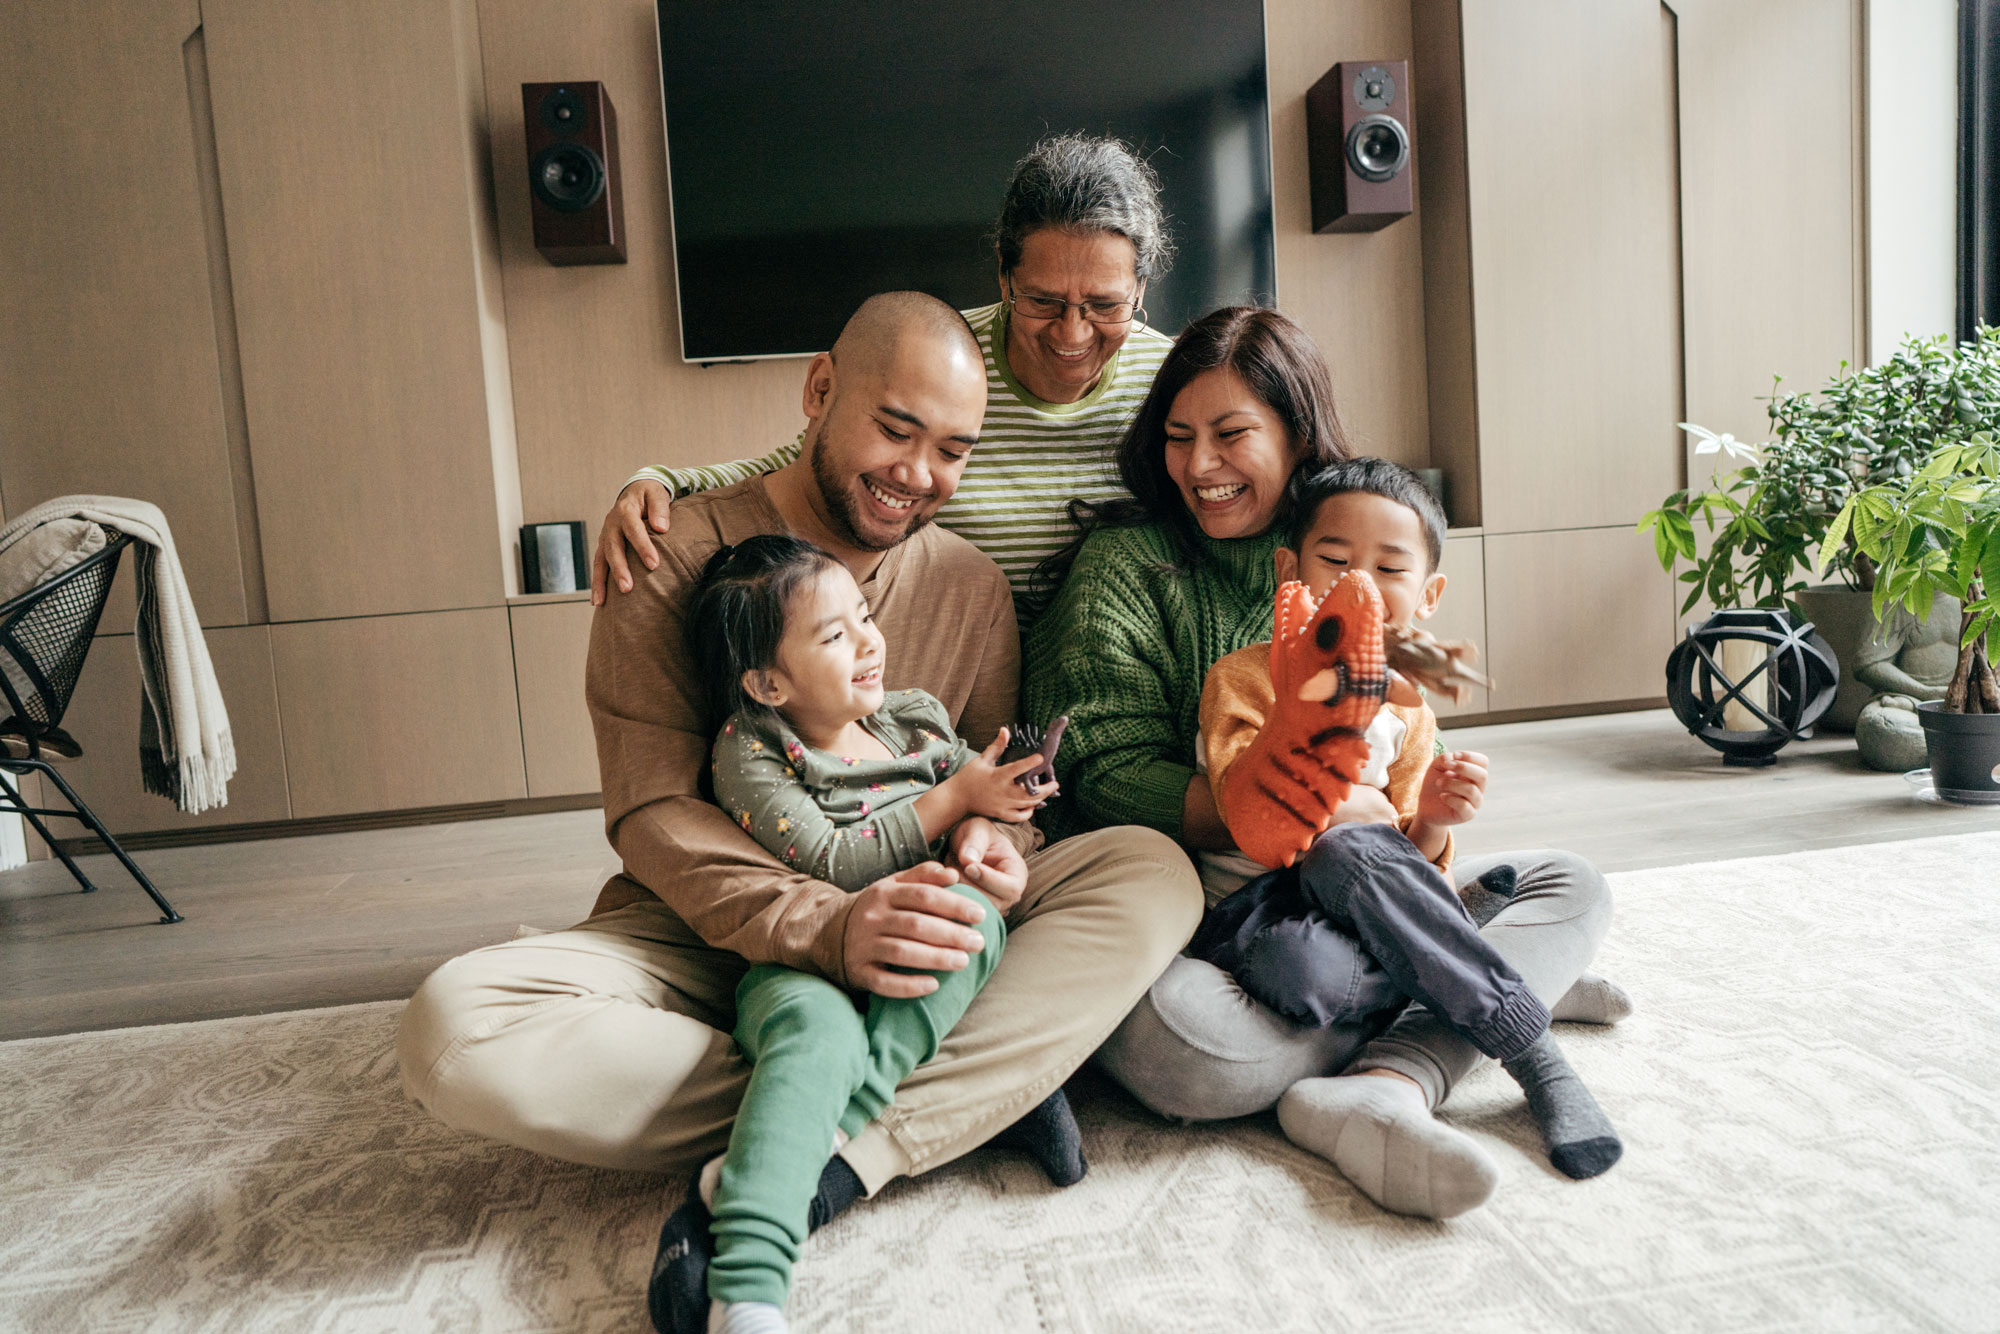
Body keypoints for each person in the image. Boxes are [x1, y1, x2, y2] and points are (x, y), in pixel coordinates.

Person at [395, 293, 1202, 1323]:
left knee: (1148, 869)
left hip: (919, 920)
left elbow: (988, 781)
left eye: (951, 449)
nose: (916, 473)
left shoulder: (967, 583)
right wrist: (824, 927)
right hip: (707, 930)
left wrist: (993, 839)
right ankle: (968, 1089)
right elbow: (651, 811)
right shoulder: (672, 553)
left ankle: (809, 1154)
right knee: (454, 1031)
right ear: (819, 391)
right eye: (894, 428)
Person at [1023, 305, 1631, 1222]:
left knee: (1575, 881)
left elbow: (1409, 819)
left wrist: (1426, 813)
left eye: (1231, 435)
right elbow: (1100, 775)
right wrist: (1294, 811)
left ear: (1297, 435)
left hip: (1363, 894)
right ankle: (1481, 980)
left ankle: (1392, 1070)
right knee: (1186, 1049)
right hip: (1227, 912)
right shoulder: (1135, 574)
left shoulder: (1364, 566)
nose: (1199, 466)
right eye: (1179, 437)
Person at [1194, 458, 1623, 1202]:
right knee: (1304, 964)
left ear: (1427, 595)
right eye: (1335, 562)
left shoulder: (1410, 709)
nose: (1359, 586)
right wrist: (1338, 811)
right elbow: (1245, 810)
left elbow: (1409, 857)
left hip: (1375, 897)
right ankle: (1501, 970)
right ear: (1290, 570)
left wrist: (1430, 819)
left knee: (1362, 853)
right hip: (1266, 906)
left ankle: (1532, 1054)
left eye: (1388, 569)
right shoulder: (1243, 678)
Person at [671, 534, 1054, 1334]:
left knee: (974, 919)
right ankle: (749, 1295)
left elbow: (984, 811)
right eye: (835, 635)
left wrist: (995, 830)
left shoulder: (913, 720)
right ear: (768, 682)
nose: (870, 641)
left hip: (920, 950)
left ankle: (810, 1142)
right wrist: (956, 801)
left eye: (866, 615)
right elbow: (833, 860)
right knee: (816, 1038)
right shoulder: (752, 749)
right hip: (803, 961)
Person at [593, 133, 1177, 620]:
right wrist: (664, 484)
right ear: (1003, 275)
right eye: (1043, 301)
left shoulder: (1173, 381)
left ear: (1141, 288)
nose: (1072, 334)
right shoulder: (944, 360)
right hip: (953, 667)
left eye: (1104, 305)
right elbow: (814, 464)